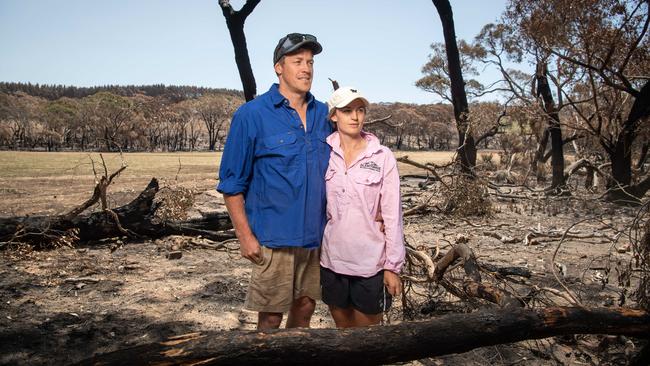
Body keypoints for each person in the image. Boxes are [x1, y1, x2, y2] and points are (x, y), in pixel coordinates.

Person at [217, 33, 332, 330]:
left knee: (305, 308)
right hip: (273, 238)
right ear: (279, 68)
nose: (306, 68)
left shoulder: (324, 114)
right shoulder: (251, 115)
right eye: (298, 62)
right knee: (269, 318)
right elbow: (232, 184)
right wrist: (244, 236)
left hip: (314, 237)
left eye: (310, 62)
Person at [320, 86, 405, 328]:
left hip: (370, 264)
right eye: (347, 111)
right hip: (332, 262)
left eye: (360, 110)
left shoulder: (381, 156)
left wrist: (392, 267)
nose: (355, 117)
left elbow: (392, 215)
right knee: (343, 335)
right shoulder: (324, 153)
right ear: (334, 116)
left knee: (366, 341)